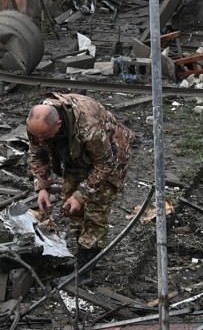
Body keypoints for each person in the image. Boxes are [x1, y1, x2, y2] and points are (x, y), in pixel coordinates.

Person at [26, 92, 134, 281]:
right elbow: (37, 154)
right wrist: (42, 187)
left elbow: (105, 165)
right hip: (76, 156)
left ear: (58, 125)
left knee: (95, 212)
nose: (40, 140)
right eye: (37, 136)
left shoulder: (89, 127)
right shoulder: (38, 126)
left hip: (110, 156)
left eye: (44, 136)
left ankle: (84, 273)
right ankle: (82, 257)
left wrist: (81, 195)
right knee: (72, 208)